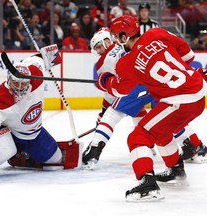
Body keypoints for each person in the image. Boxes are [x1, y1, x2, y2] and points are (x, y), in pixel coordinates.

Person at [97, 14, 207, 201]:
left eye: (117, 37)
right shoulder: (157, 33)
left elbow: (119, 90)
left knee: (138, 136)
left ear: (124, 36)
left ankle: (147, 183)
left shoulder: (127, 63)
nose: (116, 42)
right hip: (196, 91)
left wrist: (104, 80)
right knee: (160, 132)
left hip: (179, 100)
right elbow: (188, 55)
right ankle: (175, 171)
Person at [0, 44, 80, 181]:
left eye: (23, 84)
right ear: (9, 80)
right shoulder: (0, 99)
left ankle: (22, 156)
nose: (19, 88)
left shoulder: (37, 73)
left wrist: (51, 56)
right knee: (6, 147)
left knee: (56, 159)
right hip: (11, 135)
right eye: (16, 83)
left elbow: (41, 57)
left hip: (35, 134)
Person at [82, 27, 207, 169]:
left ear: (107, 40)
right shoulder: (123, 44)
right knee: (166, 117)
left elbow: (114, 93)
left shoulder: (103, 62)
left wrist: (103, 114)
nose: (99, 51)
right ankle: (193, 144)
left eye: (99, 46)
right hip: (155, 82)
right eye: (96, 49)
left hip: (136, 85)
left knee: (112, 114)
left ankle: (94, 149)